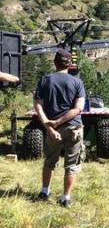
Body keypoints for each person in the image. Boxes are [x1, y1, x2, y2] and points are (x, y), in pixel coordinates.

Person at [34, 49, 85, 208]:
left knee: (49, 161)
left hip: (52, 128)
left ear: (55, 62)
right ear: (70, 65)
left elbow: (38, 106)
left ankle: (44, 192)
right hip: (73, 127)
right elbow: (78, 109)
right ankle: (66, 198)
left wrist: (50, 126)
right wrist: (57, 122)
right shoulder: (77, 83)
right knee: (72, 164)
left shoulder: (45, 80)